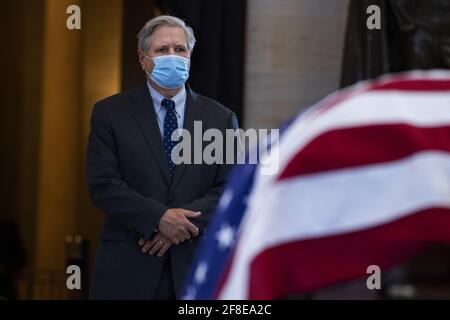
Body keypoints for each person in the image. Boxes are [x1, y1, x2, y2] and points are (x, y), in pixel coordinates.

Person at [86, 15, 239, 299]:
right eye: (162, 50)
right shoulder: (110, 113)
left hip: (196, 268)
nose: (173, 56)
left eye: (180, 49)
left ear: (190, 56)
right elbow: (103, 184)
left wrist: (178, 226)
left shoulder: (222, 118)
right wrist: (159, 218)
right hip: (128, 268)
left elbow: (230, 189)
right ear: (143, 59)